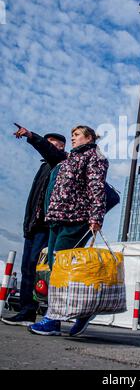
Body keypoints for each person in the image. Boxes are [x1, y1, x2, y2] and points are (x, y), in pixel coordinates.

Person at [28, 125, 108, 337]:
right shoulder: (70, 158)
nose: (73, 138)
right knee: (56, 270)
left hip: (76, 219)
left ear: (89, 137)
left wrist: (96, 217)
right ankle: (81, 312)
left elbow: (96, 187)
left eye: (77, 135)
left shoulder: (94, 156)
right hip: (57, 220)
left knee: (61, 271)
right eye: (72, 135)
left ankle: (54, 320)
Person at [2, 128, 66, 326]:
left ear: (61, 146)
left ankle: (41, 311)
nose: (48, 145)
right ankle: (26, 311)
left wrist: (31, 136)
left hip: (45, 225)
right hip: (33, 225)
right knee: (26, 268)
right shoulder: (45, 166)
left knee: (37, 266)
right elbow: (34, 199)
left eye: (52, 142)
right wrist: (26, 224)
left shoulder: (60, 160)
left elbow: (48, 150)